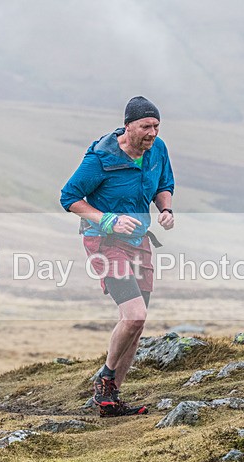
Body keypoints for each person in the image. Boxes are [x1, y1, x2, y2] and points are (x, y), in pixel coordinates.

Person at [60, 96, 175, 417]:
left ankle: (111, 401)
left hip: (138, 240)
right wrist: (108, 219)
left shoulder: (158, 150)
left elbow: (163, 184)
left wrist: (165, 209)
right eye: (145, 127)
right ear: (128, 127)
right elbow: (69, 197)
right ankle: (105, 380)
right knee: (135, 314)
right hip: (104, 240)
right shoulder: (100, 159)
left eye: (156, 126)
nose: (152, 133)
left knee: (136, 325)